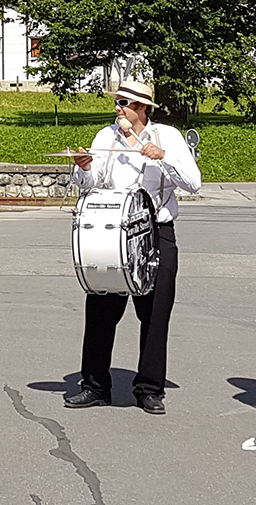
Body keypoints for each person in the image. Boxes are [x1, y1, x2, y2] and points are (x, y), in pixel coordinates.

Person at [66, 80, 202, 415]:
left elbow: (194, 183)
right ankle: (95, 385)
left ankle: (149, 389)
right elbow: (91, 182)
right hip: (113, 232)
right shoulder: (104, 136)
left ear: (142, 108)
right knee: (100, 312)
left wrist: (164, 158)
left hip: (156, 230)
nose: (118, 109)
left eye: (123, 103)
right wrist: (83, 168)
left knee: (155, 314)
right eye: (116, 102)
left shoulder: (167, 136)